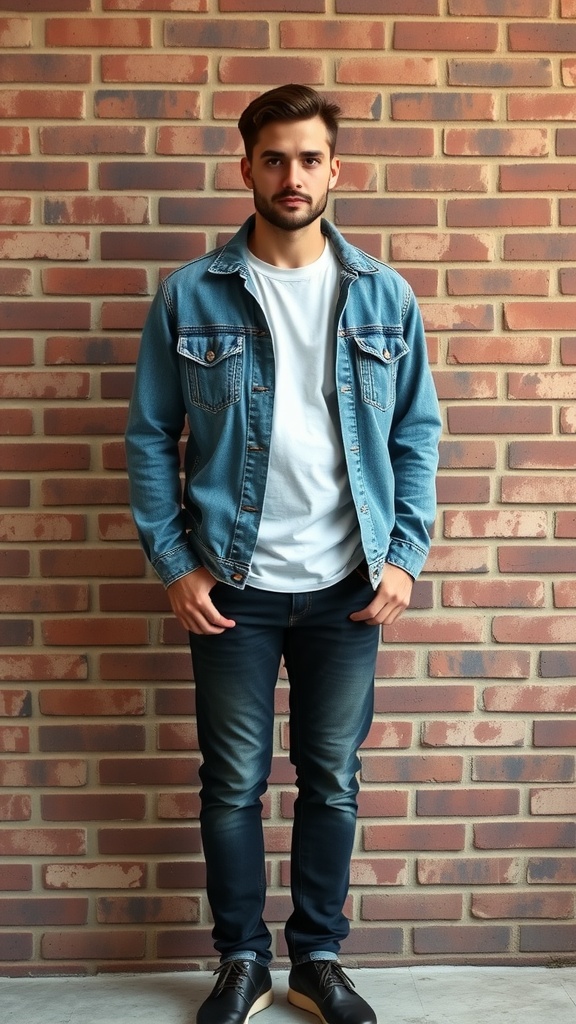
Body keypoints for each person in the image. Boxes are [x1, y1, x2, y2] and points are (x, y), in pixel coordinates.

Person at [125, 84, 441, 1024]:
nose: (292, 175)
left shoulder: (385, 295)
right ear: (247, 168)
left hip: (349, 584)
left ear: (335, 170)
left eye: (309, 158)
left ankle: (316, 959)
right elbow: (150, 437)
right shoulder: (192, 295)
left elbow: (416, 435)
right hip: (233, 585)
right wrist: (175, 562)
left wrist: (405, 556)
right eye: (274, 158)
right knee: (231, 781)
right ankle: (239, 962)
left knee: (333, 778)